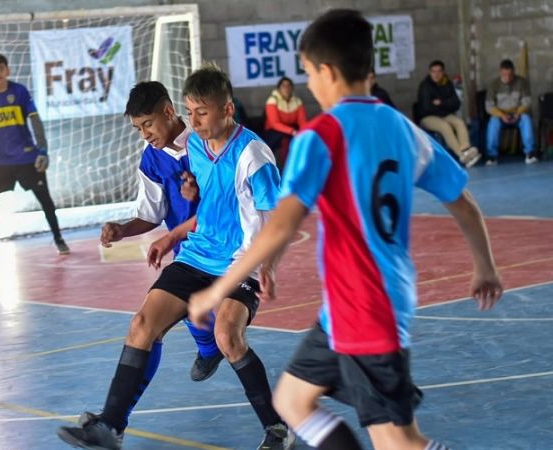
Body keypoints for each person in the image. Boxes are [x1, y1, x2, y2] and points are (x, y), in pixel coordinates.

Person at [189, 9, 503, 450]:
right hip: (353, 307)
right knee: (293, 400)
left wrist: (218, 288)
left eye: (308, 74)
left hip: (364, 309)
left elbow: (280, 225)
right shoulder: (402, 128)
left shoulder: (322, 135)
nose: (308, 84)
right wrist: (484, 267)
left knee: (399, 442)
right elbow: (464, 204)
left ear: (328, 72)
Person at [58, 64, 296, 450]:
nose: (195, 121)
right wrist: (171, 236)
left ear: (227, 109)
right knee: (141, 324)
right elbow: (211, 210)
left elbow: (278, 220)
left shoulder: (254, 155)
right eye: (191, 112)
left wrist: (266, 266)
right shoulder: (198, 149)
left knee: (227, 335)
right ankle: (110, 426)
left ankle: (278, 428)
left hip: (241, 260)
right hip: (198, 255)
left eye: (201, 113)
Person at [100, 81, 223, 389]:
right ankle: (210, 349)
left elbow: (231, 197)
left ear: (169, 111)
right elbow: (151, 214)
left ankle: (276, 420)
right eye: (138, 128)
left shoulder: (207, 141)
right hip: (188, 253)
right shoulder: (151, 159)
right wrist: (124, 229)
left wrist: (200, 194)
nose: (145, 134)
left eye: (148, 124)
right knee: (169, 313)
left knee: (228, 329)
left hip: (226, 247)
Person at [0, 54, 69, 264]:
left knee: (45, 199)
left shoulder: (19, 91)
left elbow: (35, 120)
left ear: (7, 70)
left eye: (1, 68)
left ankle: (58, 238)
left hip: (25, 158)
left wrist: (42, 150)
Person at [417, 60, 480, 167]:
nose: (436, 74)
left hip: (444, 114)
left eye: (439, 72)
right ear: (430, 72)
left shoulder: (447, 83)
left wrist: (441, 103)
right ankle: (461, 155)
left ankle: (465, 149)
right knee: (444, 126)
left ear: (443, 72)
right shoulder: (425, 86)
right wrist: (446, 105)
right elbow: (427, 107)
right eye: (433, 72)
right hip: (427, 117)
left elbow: (456, 103)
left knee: (459, 122)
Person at [485, 59, 537, 165]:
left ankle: (530, 153)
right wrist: (501, 115)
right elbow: (489, 106)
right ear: (500, 72)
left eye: (510, 75)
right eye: (504, 74)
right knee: (493, 123)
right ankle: (492, 156)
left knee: (526, 120)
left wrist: (518, 112)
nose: (507, 78)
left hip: (518, 113)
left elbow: (527, 101)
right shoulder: (493, 85)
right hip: (500, 115)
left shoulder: (522, 82)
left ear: (514, 72)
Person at [262, 76, 308, 171]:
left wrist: (304, 133)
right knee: (274, 144)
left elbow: (302, 121)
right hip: (274, 129)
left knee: (302, 141)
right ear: (279, 88)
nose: (286, 88)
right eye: (283, 86)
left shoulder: (297, 101)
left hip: (291, 128)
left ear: (292, 88)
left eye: (288, 86)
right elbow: (274, 123)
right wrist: (292, 131)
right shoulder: (272, 100)